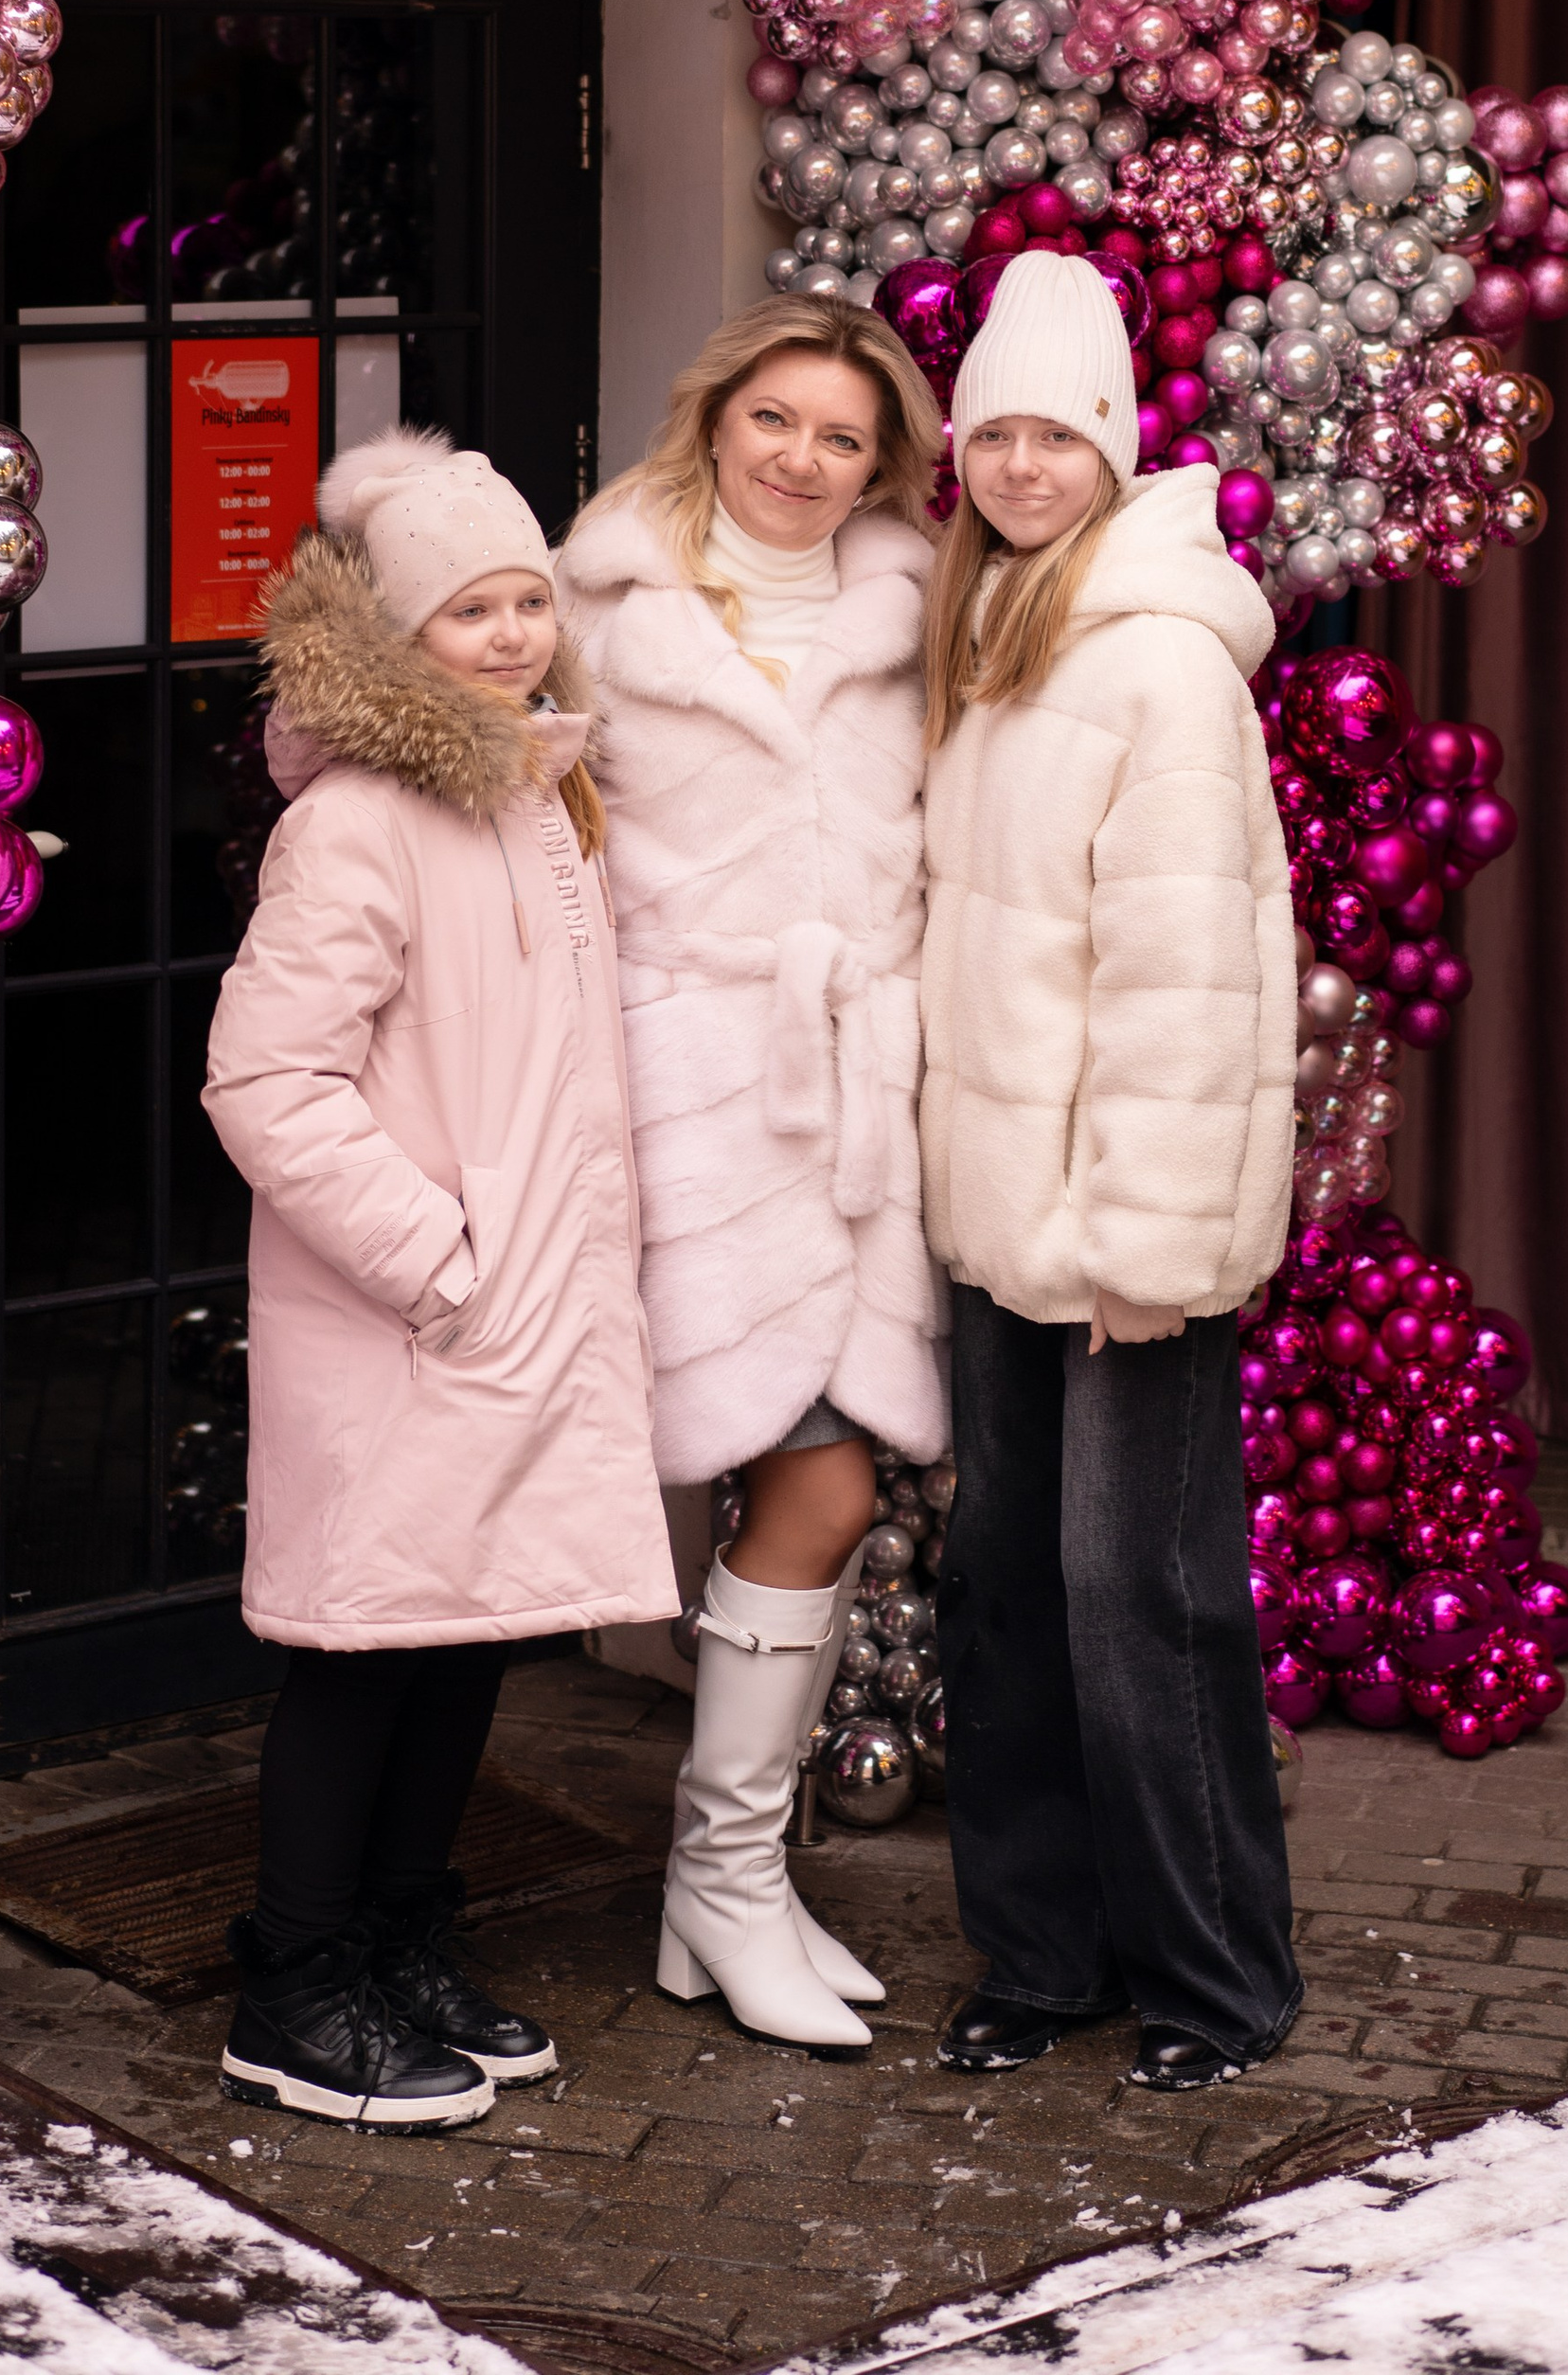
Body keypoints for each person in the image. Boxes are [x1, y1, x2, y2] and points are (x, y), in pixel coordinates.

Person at [205, 425, 678, 2132]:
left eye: (526, 603)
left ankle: (402, 1935)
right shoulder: (359, 826)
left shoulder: (537, 794)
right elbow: (268, 1083)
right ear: (396, 637)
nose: (508, 637)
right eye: (467, 611)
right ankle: (294, 1978)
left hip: (515, 1308)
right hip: (416, 1316)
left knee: (464, 1634)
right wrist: (444, 1260)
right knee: (361, 1650)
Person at [918, 250, 1304, 2093]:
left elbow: (1189, 981)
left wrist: (1150, 1234)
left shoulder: (1156, 662)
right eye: (986, 430)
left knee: (1132, 1593)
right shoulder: (991, 636)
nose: (1013, 463)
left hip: (1116, 1229)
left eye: (1047, 433)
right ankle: (1041, 1952)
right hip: (994, 1216)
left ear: (1107, 441)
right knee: (999, 1583)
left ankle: (1213, 1975)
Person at [557, 297, 949, 2051]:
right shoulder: (591, 604)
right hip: (669, 1101)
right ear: (716, 418)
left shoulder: (916, 612)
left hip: (854, 1110)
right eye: (773, 420)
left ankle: (730, 1886)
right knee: (791, 1490)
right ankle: (720, 1890)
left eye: (841, 438)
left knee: (825, 1493)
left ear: (884, 464)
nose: (800, 460)